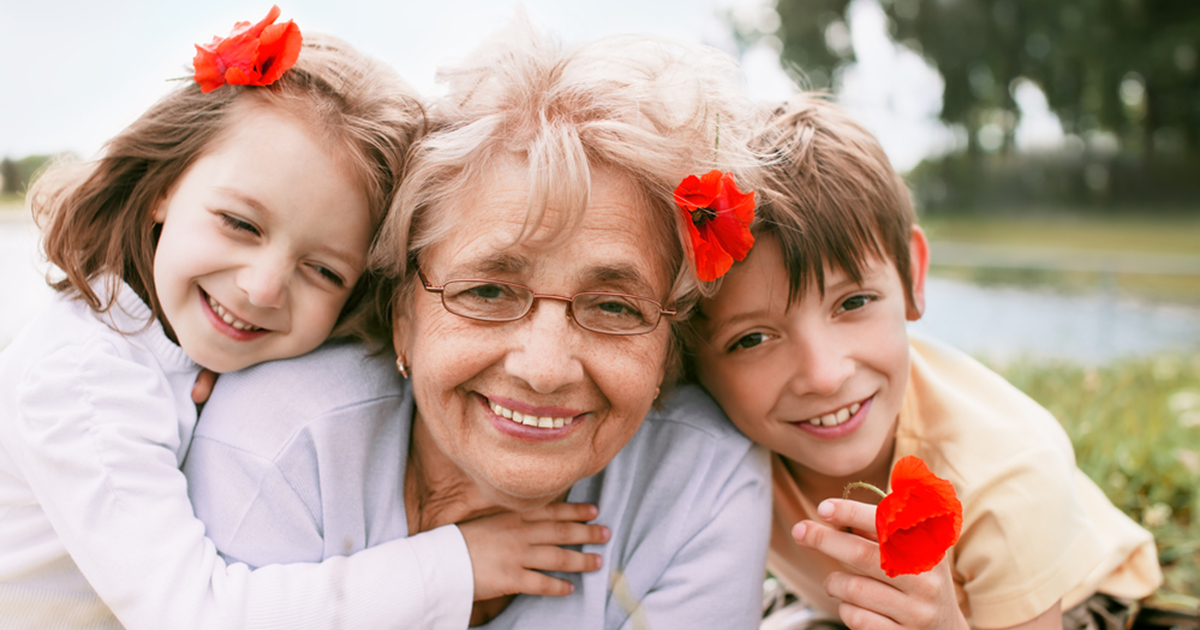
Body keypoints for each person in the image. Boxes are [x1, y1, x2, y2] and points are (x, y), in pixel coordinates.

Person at [0, 11, 602, 630]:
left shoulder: (173, 343)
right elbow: (191, 615)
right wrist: (457, 565)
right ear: (163, 185)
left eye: (323, 271)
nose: (262, 288)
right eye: (240, 223)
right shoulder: (80, 377)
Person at [182, 20, 772, 630]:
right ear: (403, 313)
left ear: (668, 346)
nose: (543, 370)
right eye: (488, 291)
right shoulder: (280, 442)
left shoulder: (704, 487)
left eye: (614, 308)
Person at [687, 95, 1162, 630]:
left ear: (911, 275)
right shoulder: (697, 436)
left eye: (853, 303)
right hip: (844, 599)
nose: (824, 375)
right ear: (684, 359)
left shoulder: (1005, 474)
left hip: (1072, 601)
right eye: (752, 339)